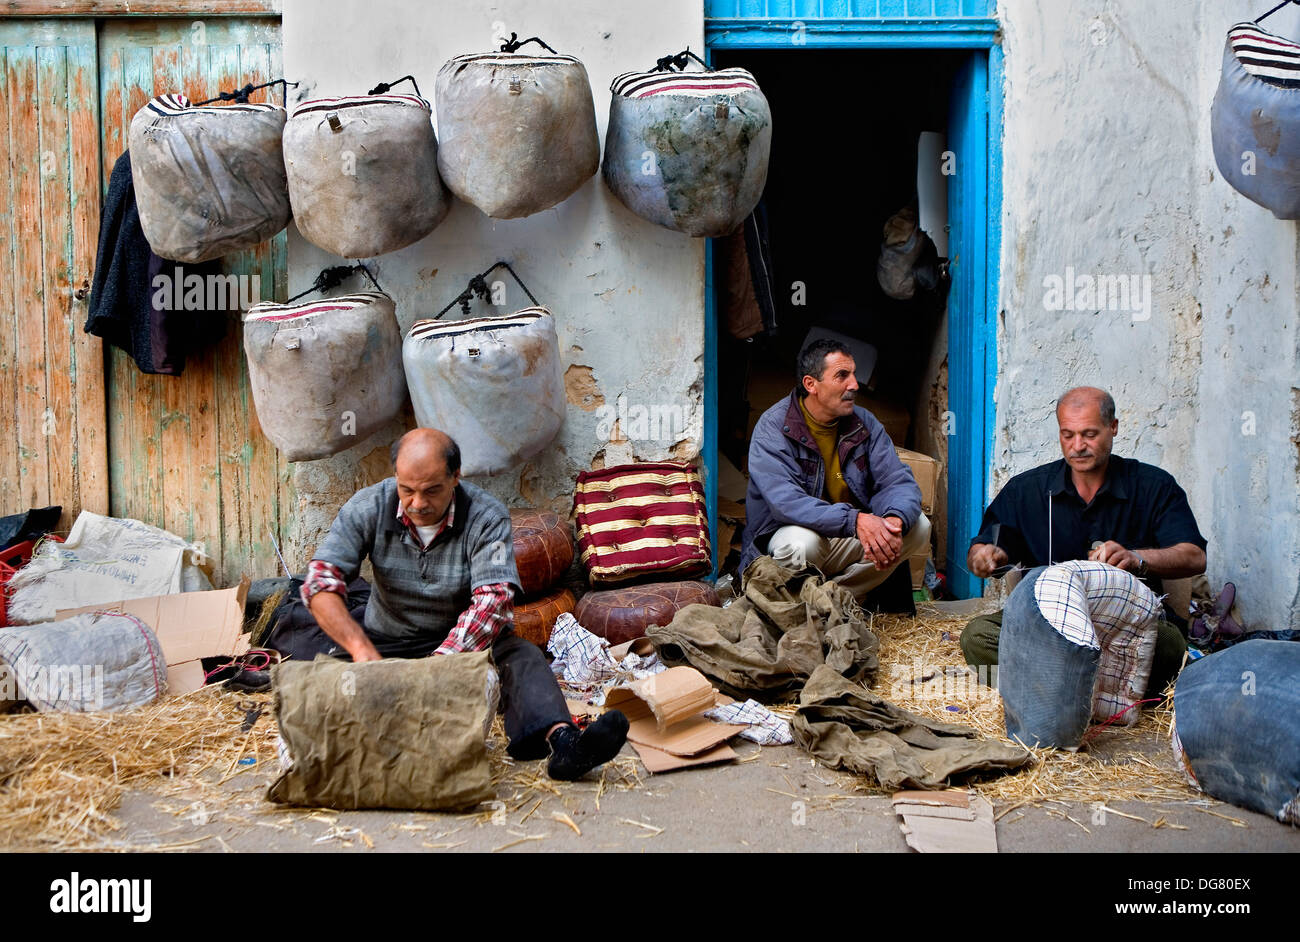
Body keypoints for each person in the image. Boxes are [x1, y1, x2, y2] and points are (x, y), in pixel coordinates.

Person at [297, 427, 628, 781]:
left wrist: (439, 666)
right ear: (395, 477)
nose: (418, 503)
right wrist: (360, 648)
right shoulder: (367, 507)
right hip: (386, 640)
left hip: (464, 644)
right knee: (325, 678)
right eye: (406, 490)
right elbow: (321, 581)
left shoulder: (487, 517)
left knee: (523, 657)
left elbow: (494, 600)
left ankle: (563, 743)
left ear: (456, 477)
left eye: (431, 490)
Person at [961, 387, 1207, 696]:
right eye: (1068, 435)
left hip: (1126, 628)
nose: (1078, 446)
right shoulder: (1027, 490)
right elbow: (981, 549)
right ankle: (1090, 693)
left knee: (1170, 646)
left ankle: (1056, 691)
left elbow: (1194, 556)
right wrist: (983, 557)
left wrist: (1137, 558)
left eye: (1089, 434)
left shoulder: (1153, 486)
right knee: (977, 637)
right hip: (1049, 625)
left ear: (1113, 427)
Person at [740, 337, 931, 600]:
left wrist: (893, 521)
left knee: (918, 525)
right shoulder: (773, 427)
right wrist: (856, 520)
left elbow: (896, 480)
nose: (854, 384)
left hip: (845, 536)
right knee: (800, 543)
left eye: (854, 374)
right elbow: (786, 503)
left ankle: (837, 599)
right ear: (811, 384)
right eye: (842, 375)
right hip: (795, 536)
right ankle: (799, 602)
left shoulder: (864, 423)